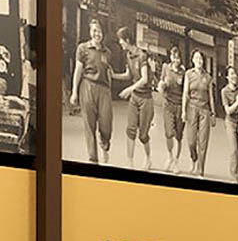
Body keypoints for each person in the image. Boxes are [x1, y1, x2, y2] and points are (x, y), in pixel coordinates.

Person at [69, 18, 113, 164]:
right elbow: (78, 70)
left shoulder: (108, 52)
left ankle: (104, 143)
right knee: (89, 124)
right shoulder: (82, 48)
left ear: (103, 33)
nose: (97, 34)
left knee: (106, 125)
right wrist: (74, 91)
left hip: (104, 90)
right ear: (90, 31)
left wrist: (110, 92)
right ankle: (93, 159)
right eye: (94, 30)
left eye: (99, 31)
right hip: (87, 86)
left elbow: (108, 73)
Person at [113, 26, 154, 169]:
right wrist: (113, 75)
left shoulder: (142, 56)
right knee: (130, 130)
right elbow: (128, 75)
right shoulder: (128, 55)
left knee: (143, 135)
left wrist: (129, 89)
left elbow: (144, 79)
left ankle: (148, 158)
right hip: (135, 98)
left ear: (127, 40)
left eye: (121, 40)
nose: (120, 43)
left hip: (146, 99)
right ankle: (129, 162)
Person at [181, 50, 215, 176]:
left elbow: (211, 97)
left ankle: (201, 169)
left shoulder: (208, 77)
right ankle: (194, 158)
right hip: (192, 108)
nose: (198, 61)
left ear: (203, 61)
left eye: (200, 58)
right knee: (191, 140)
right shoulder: (188, 74)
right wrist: (183, 110)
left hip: (205, 110)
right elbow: (185, 93)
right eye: (196, 58)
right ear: (192, 60)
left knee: (203, 141)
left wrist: (213, 113)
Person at [157, 45, 185, 171]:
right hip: (168, 105)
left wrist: (184, 109)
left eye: (178, 58)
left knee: (178, 135)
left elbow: (186, 91)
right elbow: (161, 82)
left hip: (179, 106)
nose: (176, 60)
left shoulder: (183, 72)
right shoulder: (165, 68)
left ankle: (176, 162)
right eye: (174, 57)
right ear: (170, 57)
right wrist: (161, 86)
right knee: (169, 133)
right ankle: (170, 156)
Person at [221, 67, 238, 180]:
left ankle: (235, 171)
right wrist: (237, 102)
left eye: (234, 73)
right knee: (234, 149)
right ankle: (233, 175)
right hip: (230, 122)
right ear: (227, 77)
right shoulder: (224, 91)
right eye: (231, 74)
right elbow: (228, 111)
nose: (234, 76)